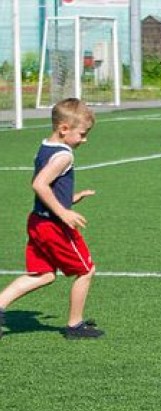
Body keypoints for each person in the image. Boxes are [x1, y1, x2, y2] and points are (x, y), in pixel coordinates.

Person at [0, 98, 103, 340]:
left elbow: (50, 186)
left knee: (43, 274)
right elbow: (39, 184)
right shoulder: (64, 156)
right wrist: (63, 212)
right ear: (64, 128)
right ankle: (75, 326)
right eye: (82, 134)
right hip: (53, 226)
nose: (84, 139)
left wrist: (71, 198)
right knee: (87, 270)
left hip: (38, 221)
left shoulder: (45, 146)